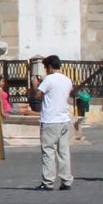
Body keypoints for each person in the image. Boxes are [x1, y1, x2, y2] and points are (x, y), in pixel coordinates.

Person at [35, 53, 75, 191]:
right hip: (64, 118)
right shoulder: (67, 80)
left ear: (50, 67)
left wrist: (36, 84)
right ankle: (66, 180)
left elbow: (38, 95)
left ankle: (48, 181)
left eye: (46, 67)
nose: (46, 70)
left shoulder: (49, 79)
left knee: (48, 151)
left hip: (50, 119)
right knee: (63, 151)